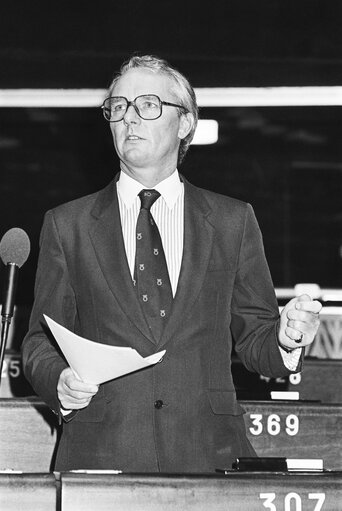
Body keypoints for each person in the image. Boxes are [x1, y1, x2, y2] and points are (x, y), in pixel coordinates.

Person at [21, 54, 322, 473]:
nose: (129, 118)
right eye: (118, 107)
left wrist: (287, 340)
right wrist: (59, 381)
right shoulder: (66, 225)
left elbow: (256, 342)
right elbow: (38, 342)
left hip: (208, 455)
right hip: (100, 459)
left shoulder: (232, 221)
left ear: (184, 124)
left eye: (147, 105)